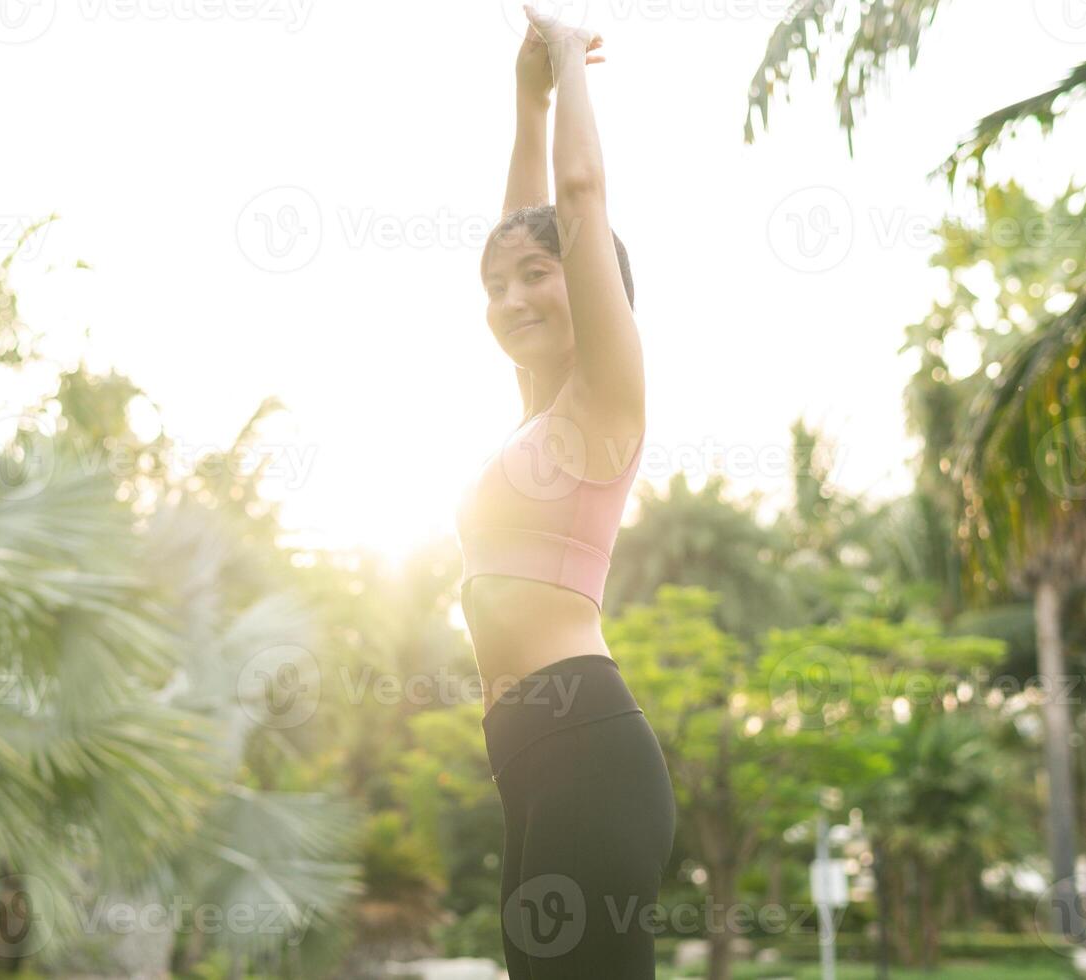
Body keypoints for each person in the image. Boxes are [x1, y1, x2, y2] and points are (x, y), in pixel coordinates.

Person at [452, 6, 676, 976]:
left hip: (586, 746)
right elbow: (527, 224)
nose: (510, 298)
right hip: (532, 761)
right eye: (495, 286)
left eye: (538, 277)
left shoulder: (604, 405)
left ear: (590, 288)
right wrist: (524, 99)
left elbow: (576, 196)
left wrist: (571, 61)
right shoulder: (538, 420)